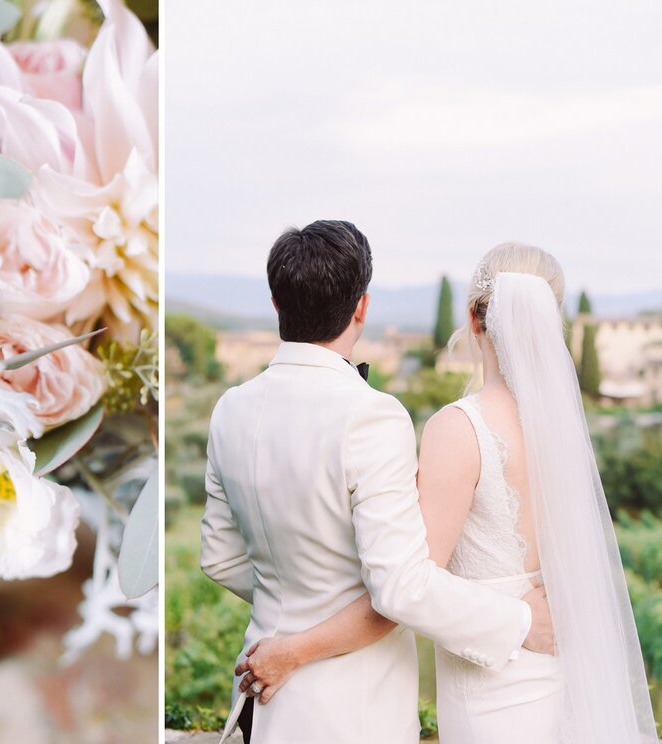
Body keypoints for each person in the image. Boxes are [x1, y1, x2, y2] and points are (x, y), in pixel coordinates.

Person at [233, 240, 658, 744]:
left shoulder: (459, 428)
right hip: (561, 668)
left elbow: (409, 585)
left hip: (493, 689)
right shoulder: (564, 427)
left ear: (474, 320)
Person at [200, 223, 555, 744]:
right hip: (355, 712)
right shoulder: (374, 416)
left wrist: (294, 603)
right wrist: (521, 622)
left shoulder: (229, 408)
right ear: (362, 306)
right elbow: (402, 587)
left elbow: (218, 556)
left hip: (262, 693)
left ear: (276, 303)